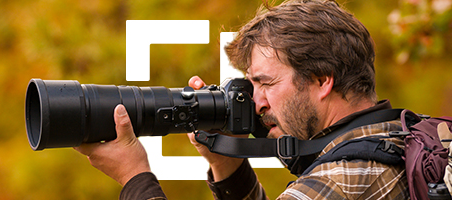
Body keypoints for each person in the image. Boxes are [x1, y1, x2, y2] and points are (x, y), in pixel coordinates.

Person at [75, 0, 408, 199]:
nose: (256, 102)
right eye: (250, 85)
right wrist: (226, 162)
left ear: (322, 80)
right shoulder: (394, 139)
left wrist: (134, 178)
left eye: (266, 83)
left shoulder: (345, 178)